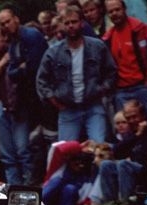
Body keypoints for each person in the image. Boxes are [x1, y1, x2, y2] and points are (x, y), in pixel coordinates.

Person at [36, 6, 117, 143]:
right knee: (64, 151)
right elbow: (41, 80)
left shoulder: (97, 46)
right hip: (68, 109)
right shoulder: (53, 52)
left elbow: (111, 71)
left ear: (82, 23)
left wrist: (103, 89)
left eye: (74, 22)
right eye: (67, 23)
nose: (71, 26)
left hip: (93, 105)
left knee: (99, 146)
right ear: (61, 25)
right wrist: (53, 100)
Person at [0, 6, 48, 184]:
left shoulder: (31, 36)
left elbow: (34, 67)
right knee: (26, 146)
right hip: (25, 100)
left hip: (41, 96)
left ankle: (34, 184)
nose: (6, 26)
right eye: (2, 24)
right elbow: (11, 73)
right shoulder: (13, 43)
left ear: (16, 19)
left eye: (8, 21)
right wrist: (21, 67)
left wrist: (22, 68)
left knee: (31, 145)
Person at [103, 0, 147, 128]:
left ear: (124, 9)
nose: (115, 13)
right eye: (111, 11)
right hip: (121, 90)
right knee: (125, 129)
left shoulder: (140, 29)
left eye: (117, 9)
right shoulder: (108, 38)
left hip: (143, 85)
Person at [0, 23, 32, 185]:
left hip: (18, 106)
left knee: (23, 151)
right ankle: (14, 188)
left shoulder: (16, 54)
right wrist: (1, 65)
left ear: (4, 37)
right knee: (7, 155)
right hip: (1, 107)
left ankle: (30, 186)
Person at [96, 99, 147, 202]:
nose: (132, 120)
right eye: (128, 118)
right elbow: (116, 152)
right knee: (106, 165)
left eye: (134, 116)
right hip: (131, 166)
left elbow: (146, 156)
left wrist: (131, 156)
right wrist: (137, 135)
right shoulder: (133, 130)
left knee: (124, 164)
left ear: (142, 114)